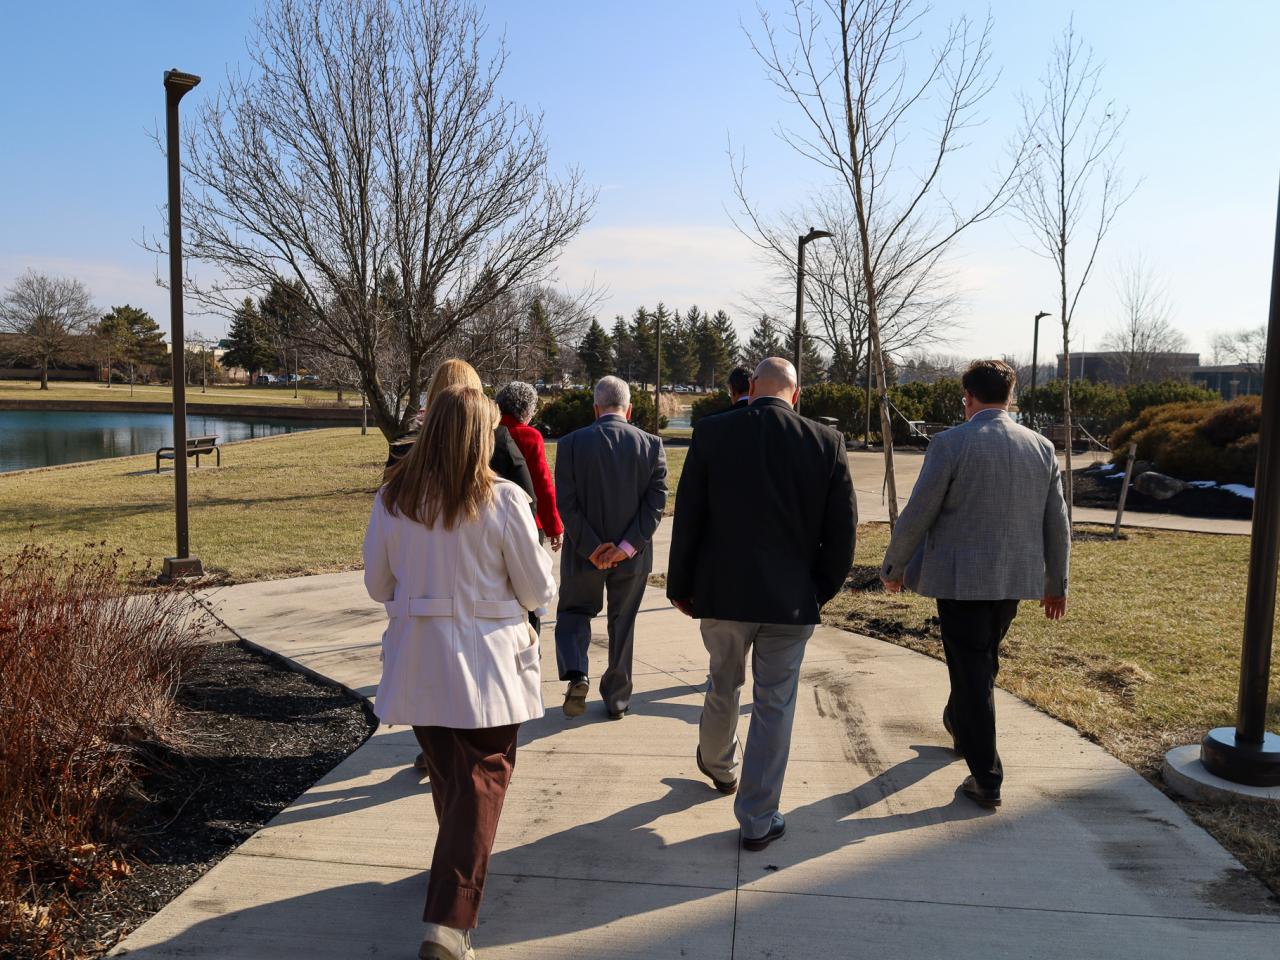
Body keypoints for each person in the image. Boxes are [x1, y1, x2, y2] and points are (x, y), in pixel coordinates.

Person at [363, 384, 555, 960]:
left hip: (420, 657)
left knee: (456, 779)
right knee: (481, 779)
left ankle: (452, 888)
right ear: (481, 436)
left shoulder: (395, 499)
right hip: (488, 661)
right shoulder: (502, 500)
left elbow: (378, 584)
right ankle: (448, 921)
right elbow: (536, 588)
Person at [667, 357, 857, 851]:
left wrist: (681, 587)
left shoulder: (712, 433)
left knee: (722, 682)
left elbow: (689, 517)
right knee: (775, 703)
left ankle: (718, 764)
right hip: (790, 600)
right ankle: (757, 816)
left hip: (724, 593)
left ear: (751, 388)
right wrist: (819, 590)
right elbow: (843, 536)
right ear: (797, 394)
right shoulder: (824, 442)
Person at [879, 359, 1070, 810]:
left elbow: (919, 511)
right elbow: (1057, 524)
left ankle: (987, 776)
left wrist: (892, 567)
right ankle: (962, 724)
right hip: (1012, 581)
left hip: (961, 581)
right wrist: (1056, 583)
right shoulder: (1041, 447)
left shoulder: (950, 443)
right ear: (1011, 396)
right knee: (980, 663)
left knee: (973, 671)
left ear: (968, 398)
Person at [554, 375, 667, 720]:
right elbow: (657, 502)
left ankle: (577, 673)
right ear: (629, 409)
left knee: (574, 613)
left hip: (581, 553)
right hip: (631, 557)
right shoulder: (651, 445)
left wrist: (590, 547)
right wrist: (626, 546)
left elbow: (566, 503)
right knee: (624, 621)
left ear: (595, 408)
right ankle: (617, 699)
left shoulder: (571, 444)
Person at [386, 359, 535, 507]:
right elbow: (528, 500)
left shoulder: (404, 446)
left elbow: (389, 506)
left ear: (433, 394)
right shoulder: (497, 440)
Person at [494, 381, 563, 552]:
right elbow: (542, 484)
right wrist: (554, 528)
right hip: (526, 519)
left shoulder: (487, 431)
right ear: (526, 410)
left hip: (491, 517)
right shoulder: (529, 436)